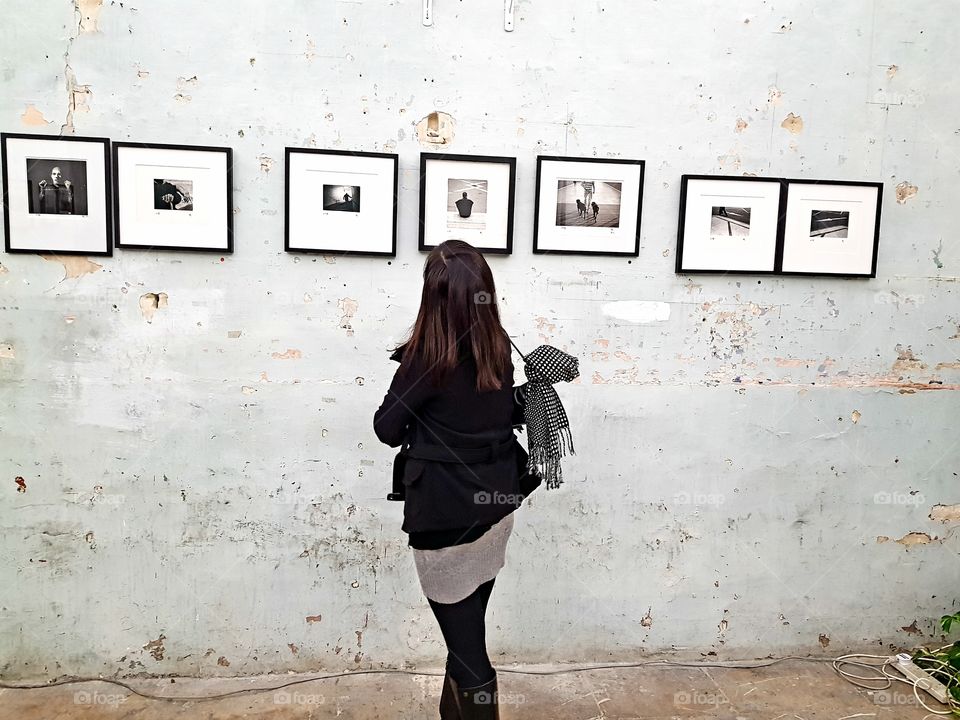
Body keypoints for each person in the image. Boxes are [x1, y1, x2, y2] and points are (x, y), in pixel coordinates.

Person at [373, 240, 529, 719]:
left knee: (467, 653)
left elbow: (386, 428)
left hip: (444, 520)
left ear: (432, 295)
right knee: (466, 635)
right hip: (496, 510)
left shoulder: (427, 359)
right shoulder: (497, 348)